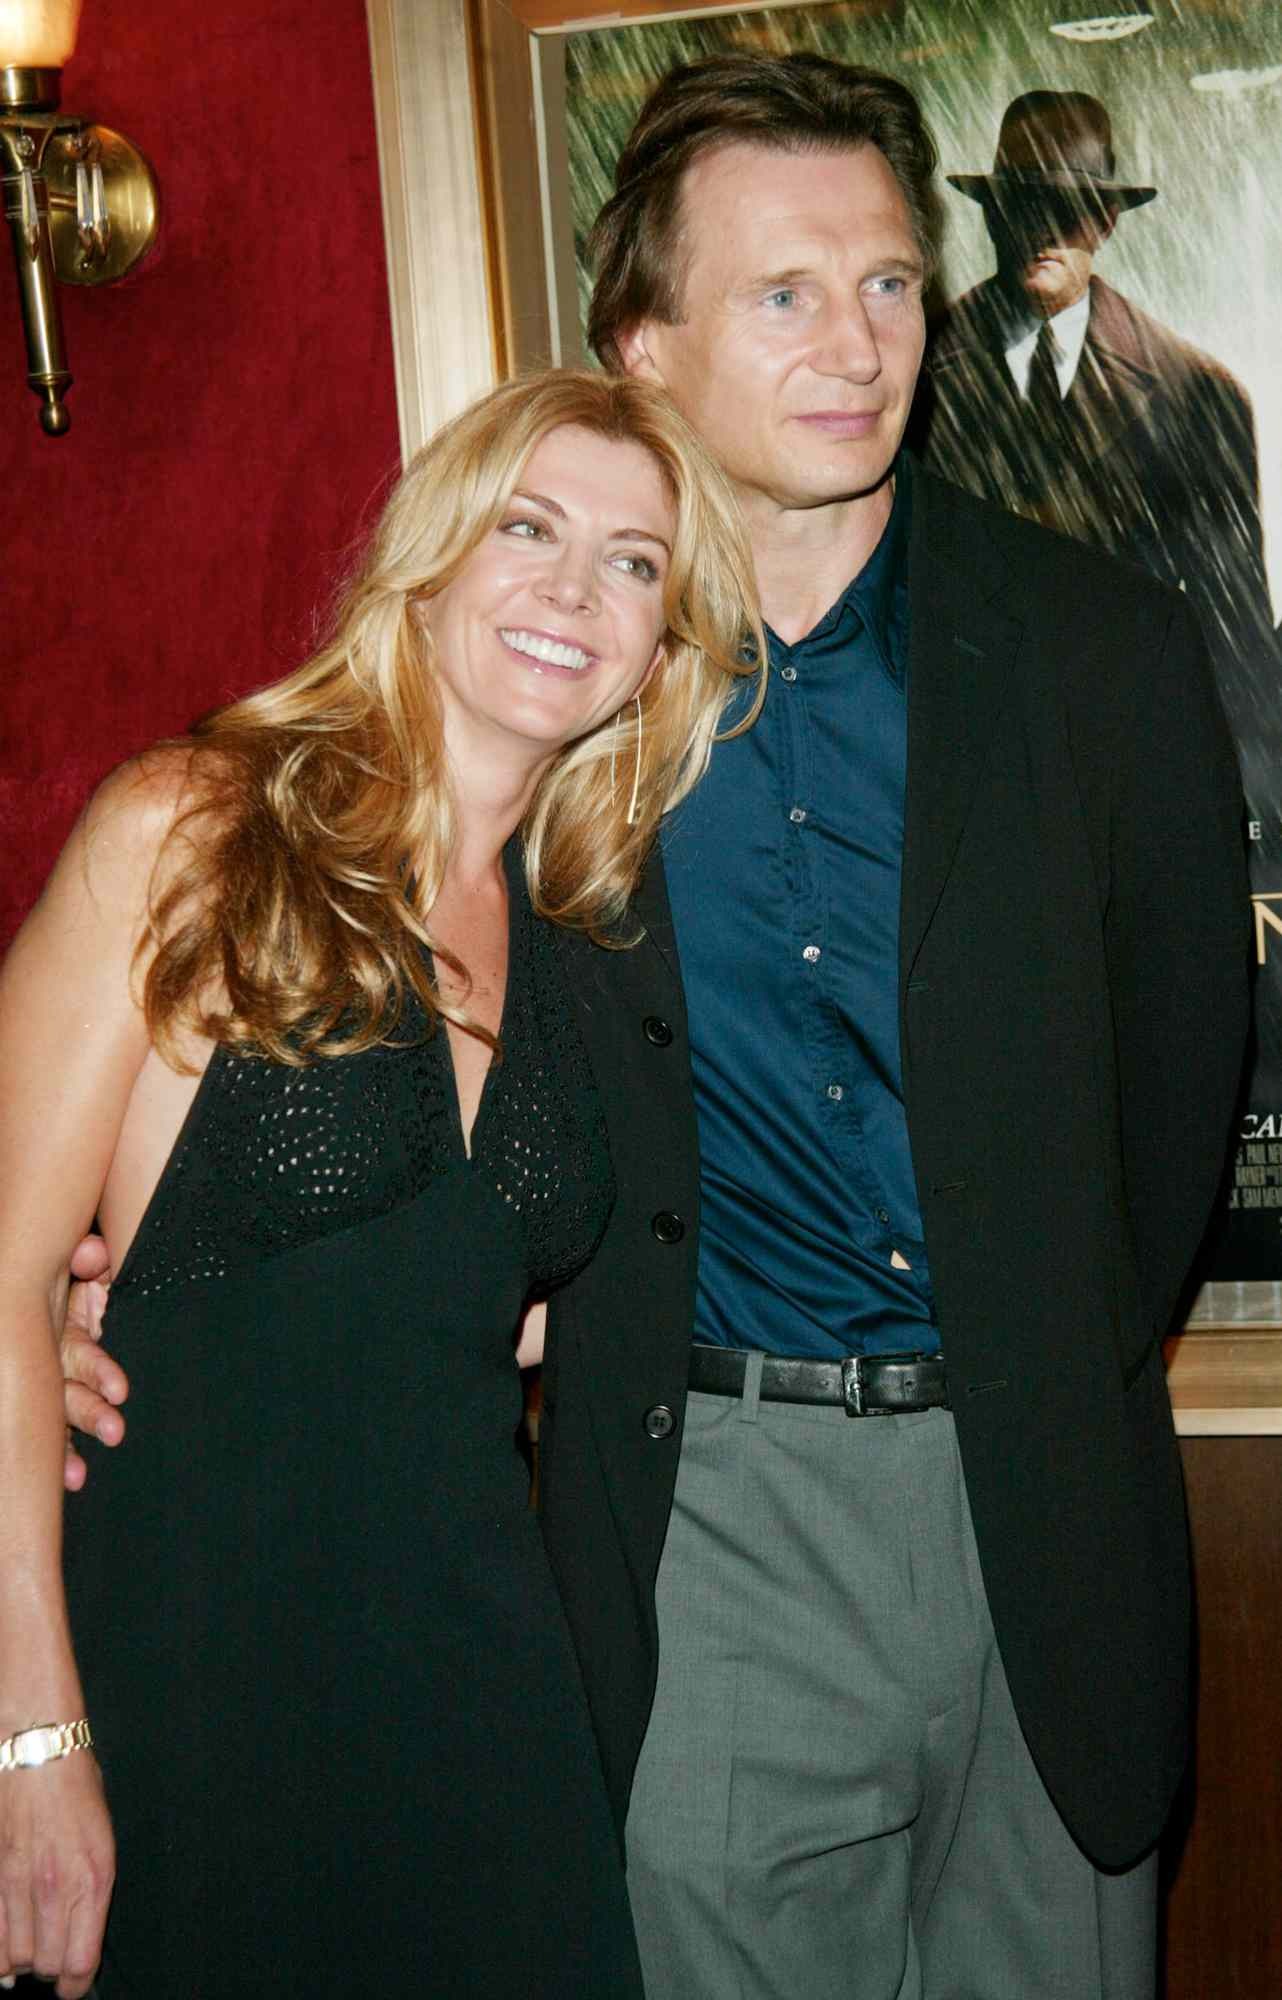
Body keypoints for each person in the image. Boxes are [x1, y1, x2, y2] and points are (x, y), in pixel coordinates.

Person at [64, 52, 1248, 2000]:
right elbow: (366, 1047)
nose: (855, 341)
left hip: (1037, 1517)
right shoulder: (550, 698)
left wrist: (1040, 1354)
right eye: (780, 293)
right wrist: (105, 1276)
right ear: (646, 346)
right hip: (702, 1515)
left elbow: (1175, 1087)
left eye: (886, 281)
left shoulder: (1096, 651)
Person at [0, 368, 762, 1997]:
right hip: (181, 1683)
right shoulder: (195, 831)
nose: (574, 589)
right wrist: (31, 1741)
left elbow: (502, 1303)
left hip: (486, 1706)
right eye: (528, 528)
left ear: (660, 647)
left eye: (633, 563)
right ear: (428, 556)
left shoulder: (588, 946)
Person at [923, 89, 1277, 795]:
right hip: (954, 763)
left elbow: (1235, 642)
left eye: (1071, 208)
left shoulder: (1198, 396)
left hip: (1129, 768)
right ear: (991, 213)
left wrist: (1251, 817)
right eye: (1023, 204)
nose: (1044, 229)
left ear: (1107, 221)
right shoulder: (906, 378)